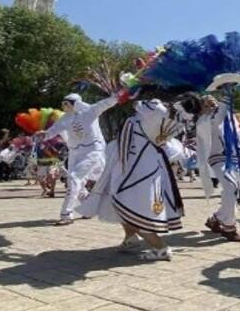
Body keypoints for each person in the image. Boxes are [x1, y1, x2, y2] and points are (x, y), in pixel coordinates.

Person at [78, 96, 201, 260]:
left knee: (131, 203)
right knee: (119, 200)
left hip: (134, 162)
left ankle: (161, 248)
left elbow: (137, 104)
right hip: (149, 163)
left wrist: (128, 93)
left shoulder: (157, 107)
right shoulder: (178, 121)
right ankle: (130, 239)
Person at [37, 93, 118, 226]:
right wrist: (44, 135)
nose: (63, 106)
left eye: (66, 103)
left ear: (76, 103)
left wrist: (119, 93)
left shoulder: (91, 110)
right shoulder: (65, 118)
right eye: (63, 103)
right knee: (77, 183)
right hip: (75, 153)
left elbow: (108, 102)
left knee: (74, 178)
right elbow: (54, 130)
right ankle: (88, 209)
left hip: (92, 151)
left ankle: (66, 214)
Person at [199, 76, 240, 243]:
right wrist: (226, 93)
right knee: (230, 186)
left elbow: (238, 138)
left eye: (212, 100)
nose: (211, 103)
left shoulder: (231, 116)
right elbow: (220, 114)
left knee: (235, 192)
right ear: (202, 108)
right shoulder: (206, 120)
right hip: (219, 159)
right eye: (206, 102)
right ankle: (229, 227)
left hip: (237, 159)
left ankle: (216, 219)